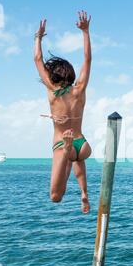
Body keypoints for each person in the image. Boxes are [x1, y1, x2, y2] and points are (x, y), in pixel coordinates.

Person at [34, 11, 93, 213]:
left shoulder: (52, 90)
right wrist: (85, 31)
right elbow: (87, 59)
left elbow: (37, 59)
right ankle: (84, 193)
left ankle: (68, 152)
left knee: (55, 197)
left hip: (62, 143)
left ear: (53, 75)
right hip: (83, 143)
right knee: (78, 159)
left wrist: (38, 37)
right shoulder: (80, 89)